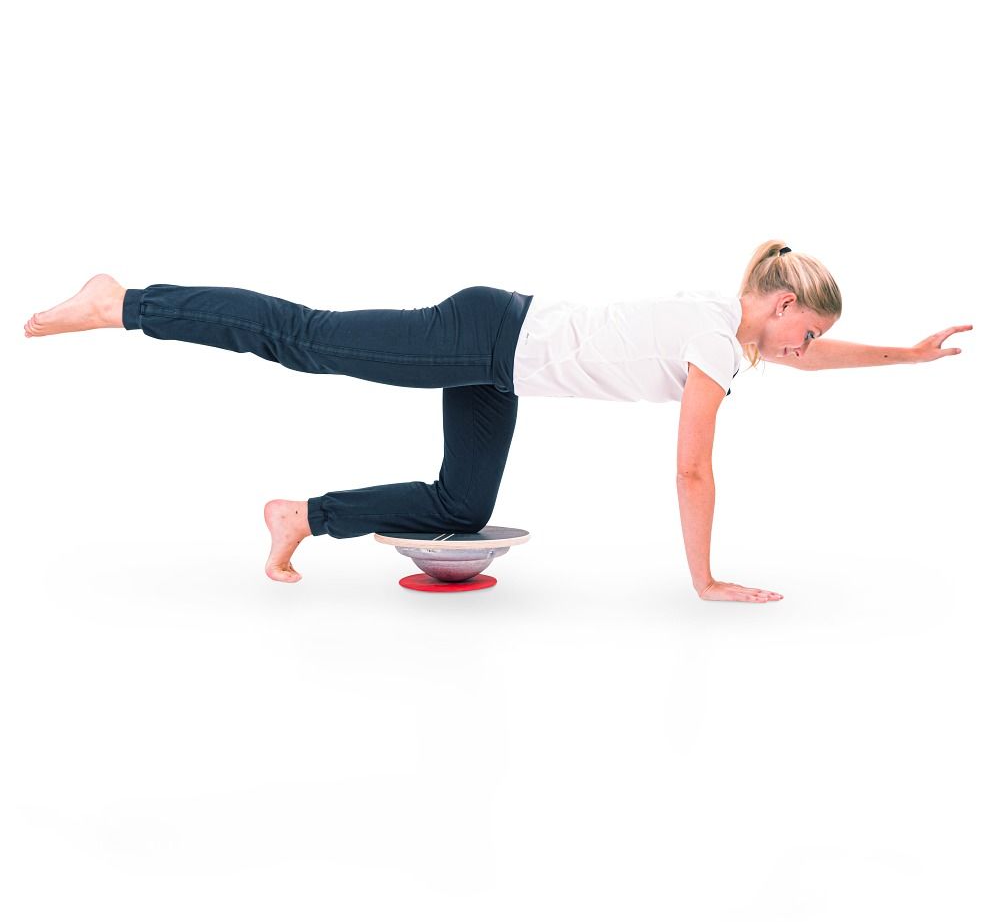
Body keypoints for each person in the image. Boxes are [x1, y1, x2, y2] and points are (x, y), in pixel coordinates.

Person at [23, 239, 971, 602]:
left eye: (805, 342)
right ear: (768, 301)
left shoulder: (731, 326)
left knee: (457, 507)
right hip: (483, 338)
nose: (800, 351)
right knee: (303, 339)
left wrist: (908, 356)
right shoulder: (717, 341)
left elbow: (816, 360)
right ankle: (125, 299)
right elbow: (692, 471)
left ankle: (299, 516)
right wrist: (706, 578)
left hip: (501, 362)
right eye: (798, 332)